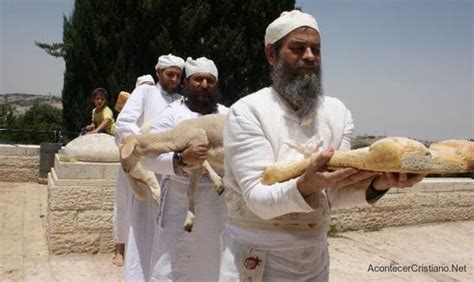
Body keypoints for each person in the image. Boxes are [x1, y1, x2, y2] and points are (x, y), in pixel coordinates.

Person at [219, 10, 426, 281]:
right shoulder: (247, 112)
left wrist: (381, 183)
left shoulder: (337, 113)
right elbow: (257, 199)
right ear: (271, 54)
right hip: (256, 258)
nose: (309, 56)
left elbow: (335, 195)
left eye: (315, 49)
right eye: (297, 48)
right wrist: (307, 184)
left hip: (313, 261)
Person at [140, 57, 228, 281]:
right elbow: (148, 158)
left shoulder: (230, 116)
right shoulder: (171, 115)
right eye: (198, 79)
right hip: (178, 207)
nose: (204, 85)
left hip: (218, 207)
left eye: (209, 80)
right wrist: (180, 159)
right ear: (188, 82)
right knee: (172, 267)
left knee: (214, 266)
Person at [114, 53, 185, 281]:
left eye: (178, 75)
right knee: (143, 233)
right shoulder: (145, 93)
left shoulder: (181, 102)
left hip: (174, 176)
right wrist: (150, 146)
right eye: (170, 74)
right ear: (158, 73)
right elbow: (124, 124)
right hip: (148, 175)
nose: (174, 79)